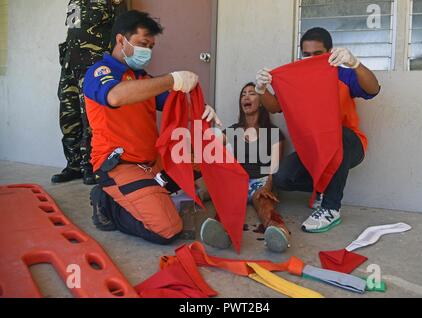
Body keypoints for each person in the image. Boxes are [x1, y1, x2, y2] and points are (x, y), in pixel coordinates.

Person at [83, 10, 221, 245]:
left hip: (152, 162)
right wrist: (171, 79)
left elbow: (174, 106)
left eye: (151, 46)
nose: (147, 51)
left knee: (211, 157)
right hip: (121, 166)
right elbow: (115, 96)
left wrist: (203, 111)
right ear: (120, 40)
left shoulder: (143, 80)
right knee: (167, 228)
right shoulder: (99, 73)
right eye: (142, 44)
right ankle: (106, 204)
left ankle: (152, 193)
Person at [255, 27, 381, 233]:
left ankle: (330, 208)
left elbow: (373, 89)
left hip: (349, 144)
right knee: (282, 176)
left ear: (330, 52)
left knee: (335, 135)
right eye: (306, 55)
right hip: (313, 149)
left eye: (318, 54)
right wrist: (261, 89)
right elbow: (275, 107)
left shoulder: (342, 75)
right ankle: (322, 188)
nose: (311, 59)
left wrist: (355, 63)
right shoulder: (297, 80)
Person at [200, 83, 290, 253]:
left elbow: (274, 167)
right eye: (243, 95)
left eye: (252, 94)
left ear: (262, 101)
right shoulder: (233, 131)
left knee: (264, 204)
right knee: (227, 204)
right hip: (237, 181)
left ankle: (278, 232)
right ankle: (221, 234)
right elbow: (210, 149)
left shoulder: (274, 133)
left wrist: (267, 187)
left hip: (262, 181)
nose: (246, 97)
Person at [53, 0, 128, 185]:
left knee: (91, 118)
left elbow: (121, 33)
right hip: (71, 65)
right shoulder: (75, 1)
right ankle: (74, 166)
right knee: (68, 117)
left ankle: (91, 166)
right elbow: (72, 30)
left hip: (94, 67)